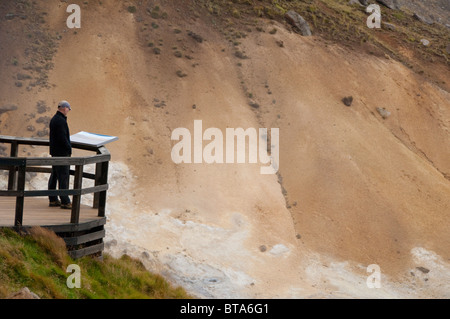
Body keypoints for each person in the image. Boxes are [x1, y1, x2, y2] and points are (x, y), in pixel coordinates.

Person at [48, 100, 72, 209]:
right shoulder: (61, 121)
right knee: (63, 176)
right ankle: (65, 201)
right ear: (64, 108)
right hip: (62, 153)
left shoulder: (54, 119)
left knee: (55, 175)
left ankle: (53, 199)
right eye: (68, 109)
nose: (68, 111)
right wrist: (69, 148)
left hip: (55, 152)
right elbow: (62, 137)